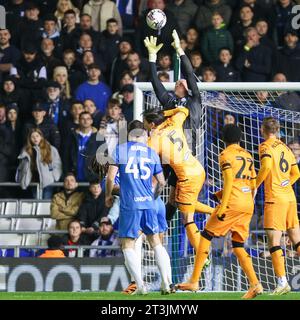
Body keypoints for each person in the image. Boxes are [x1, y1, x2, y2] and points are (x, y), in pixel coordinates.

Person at [177, 124, 263, 299]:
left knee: (206, 236)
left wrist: (223, 206)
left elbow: (230, 180)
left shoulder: (225, 155)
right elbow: (253, 183)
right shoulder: (248, 156)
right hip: (248, 203)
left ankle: (194, 281)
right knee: (238, 245)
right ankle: (255, 285)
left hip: (233, 202)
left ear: (224, 139)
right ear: (240, 138)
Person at [144, 30, 209, 223]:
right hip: (169, 154)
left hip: (186, 157)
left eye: (181, 82)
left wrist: (180, 50)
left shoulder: (195, 100)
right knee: (156, 186)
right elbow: (156, 84)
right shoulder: (171, 104)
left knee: (177, 201)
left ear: (187, 87)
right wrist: (152, 58)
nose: (177, 83)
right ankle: (152, 221)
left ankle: (161, 226)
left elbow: (189, 72)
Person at [105, 120, 172, 295]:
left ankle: (140, 285)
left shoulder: (119, 150)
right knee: (155, 242)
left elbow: (110, 178)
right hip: (149, 203)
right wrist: (153, 196)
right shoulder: (151, 153)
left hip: (130, 204)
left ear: (128, 133)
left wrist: (107, 195)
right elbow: (162, 182)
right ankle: (166, 283)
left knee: (127, 244)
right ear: (144, 133)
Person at [255, 117, 300, 295]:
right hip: (290, 198)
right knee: (297, 241)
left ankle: (282, 282)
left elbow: (265, 167)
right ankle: (282, 282)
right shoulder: (286, 148)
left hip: (275, 198)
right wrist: (286, 184)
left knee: (274, 242)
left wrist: (255, 185)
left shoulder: (265, 146)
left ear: (262, 130)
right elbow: (296, 172)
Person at [16, 128, 62, 199]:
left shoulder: (50, 149)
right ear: (29, 139)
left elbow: (57, 164)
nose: (35, 139)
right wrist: (21, 178)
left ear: (41, 137)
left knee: (46, 203)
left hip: (48, 182)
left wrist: (55, 176)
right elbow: (21, 166)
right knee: (36, 204)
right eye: (33, 137)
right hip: (34, 181)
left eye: (37, 136)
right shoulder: (26, 151)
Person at [64, 111, 104, 181]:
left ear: (91, 121)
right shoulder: (71, 136)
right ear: (79, 121)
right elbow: (66, 156)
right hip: (74, 177)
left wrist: (98, 175)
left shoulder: (99, 137)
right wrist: (68, 173)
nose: (85, 121)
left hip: (93, 178)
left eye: (88, 119)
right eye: (83, 119)